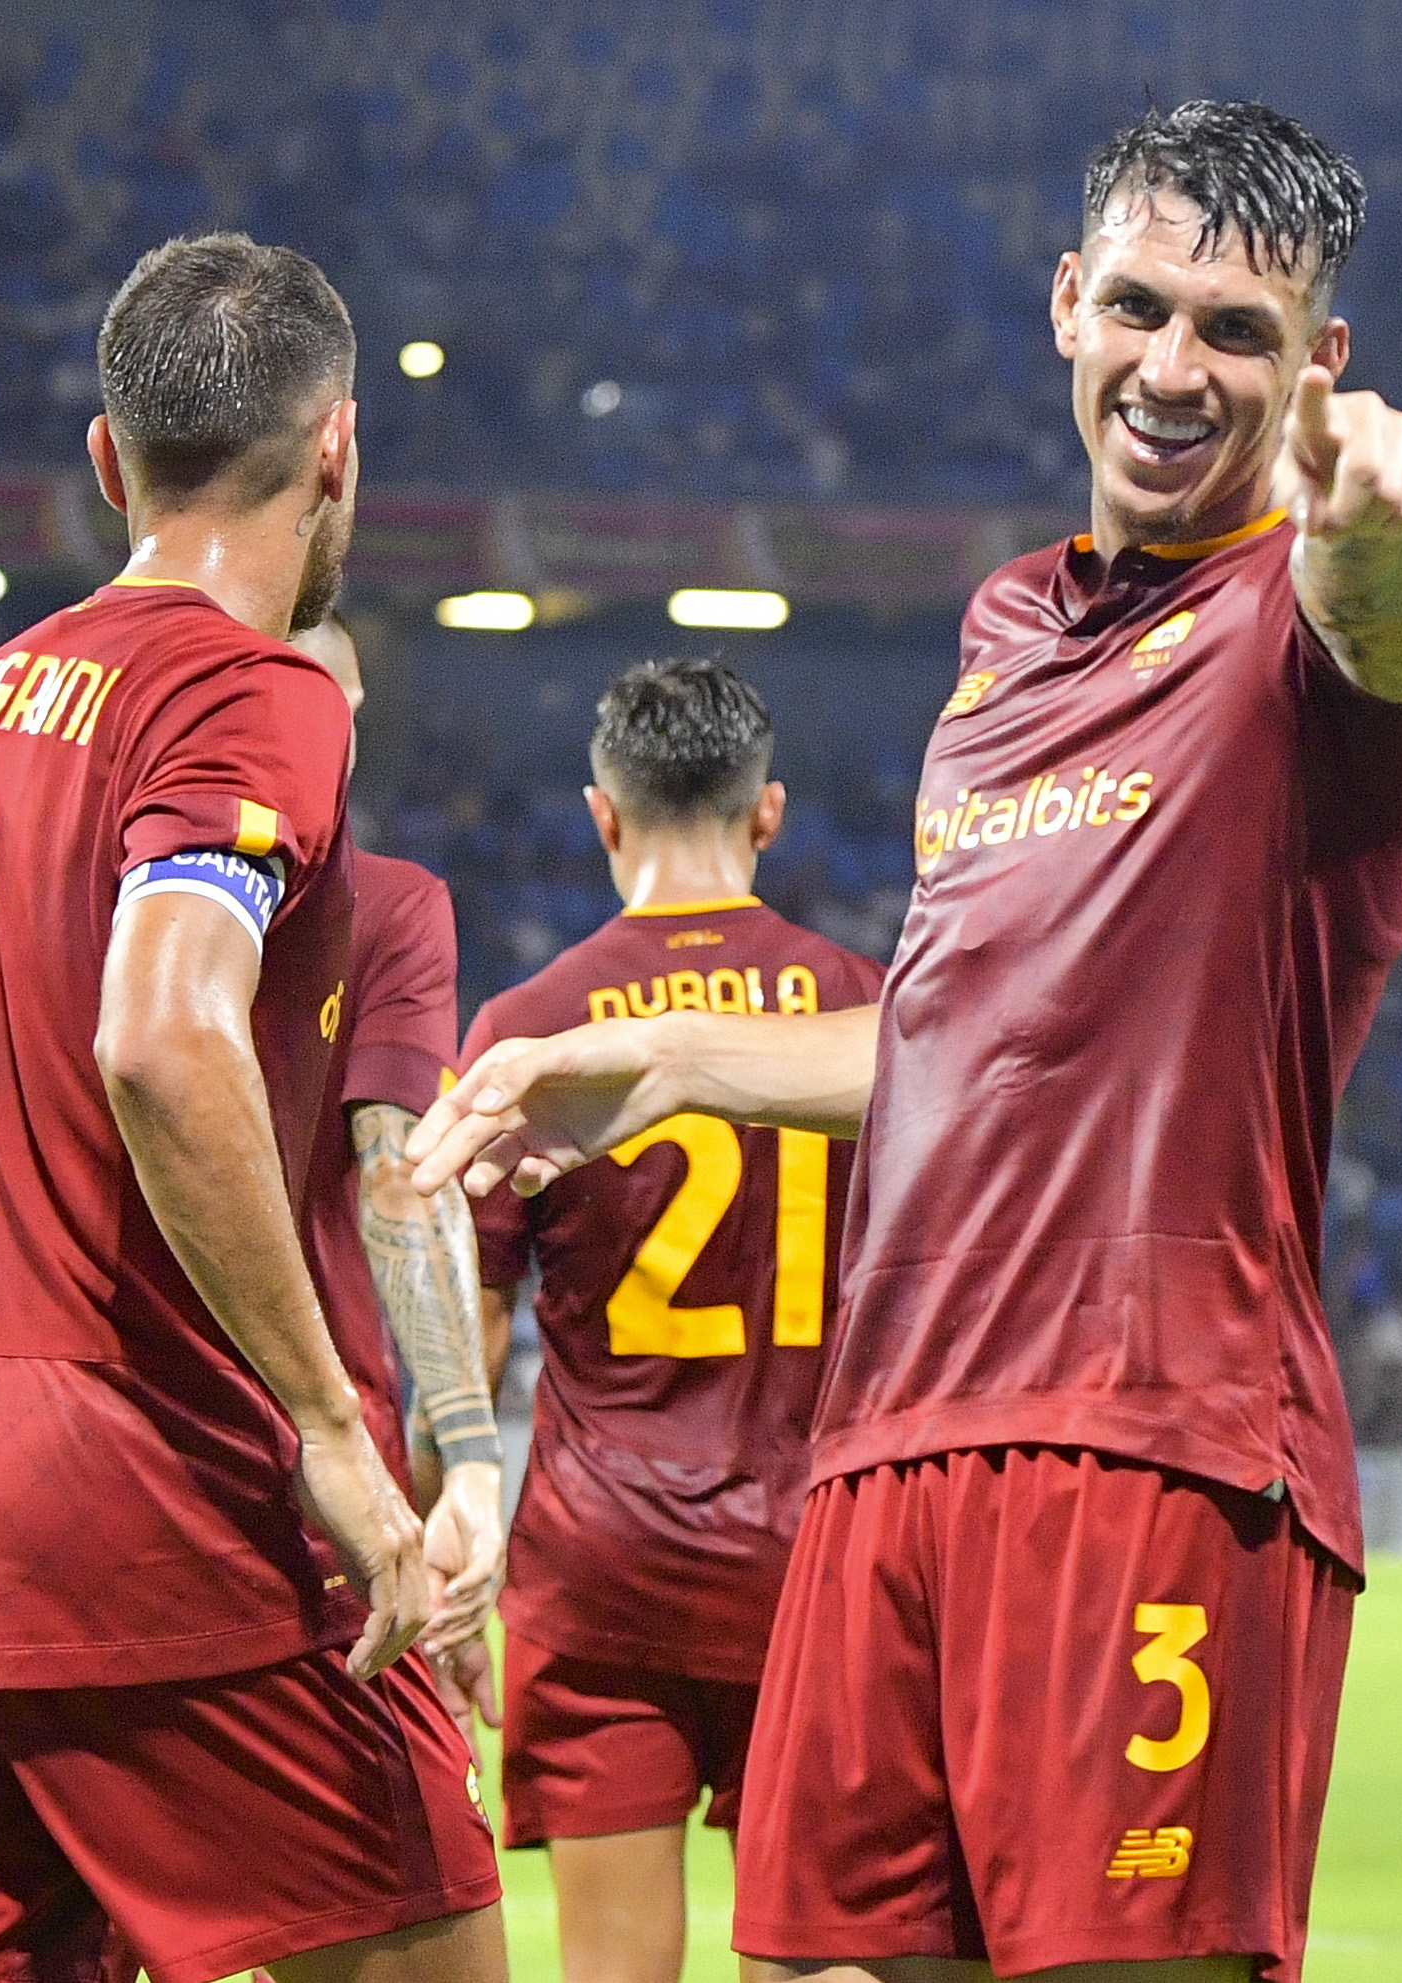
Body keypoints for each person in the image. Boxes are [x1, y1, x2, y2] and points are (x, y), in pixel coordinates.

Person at [411, 97, 1402, 1983]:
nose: (1174, 370)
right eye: (1140, 308)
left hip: (1147, 1443)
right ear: (1065, 302)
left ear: (1318, 363)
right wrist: (670, 1063)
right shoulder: (998, 637)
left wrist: (1378, 535)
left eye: (1239, 335)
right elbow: (961, 1036)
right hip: (884, 1452)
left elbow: (1389, 628)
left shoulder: (1300, 621)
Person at [0, 233, 505, 1983]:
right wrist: (337, 1433)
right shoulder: (245, 685)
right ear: (338, 446)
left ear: (107, 461)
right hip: (147, 1513)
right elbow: (160, 1026)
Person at [455, 657, 882, 1983]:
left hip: (602, 1567)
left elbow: (464, 1333)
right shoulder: (868, 1013)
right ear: (768, 815)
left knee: (612, 1967)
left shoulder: (526, 1029)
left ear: (601, 815)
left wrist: (449, 1527)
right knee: (820, 1957)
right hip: (818, 1557)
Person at [292, 615, 507, 1737]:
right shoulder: (385, 906)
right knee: (424, 1886)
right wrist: (467, 1462)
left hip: (106, 1450)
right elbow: (401, 1178)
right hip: (321, 1459)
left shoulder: (90, 896)